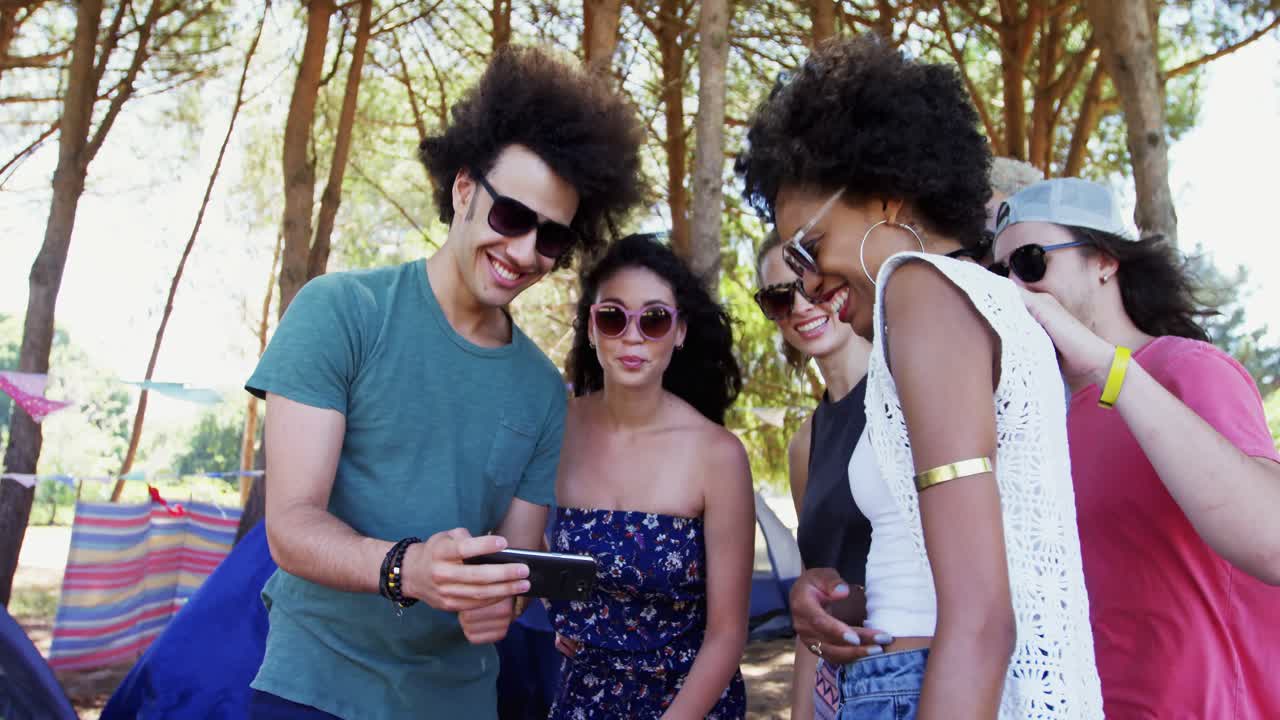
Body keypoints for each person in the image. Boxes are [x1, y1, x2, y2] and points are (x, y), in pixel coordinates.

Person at [243, 46, 643, 719]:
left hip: (456, 702)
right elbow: (290, 526)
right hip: (313, 690)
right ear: (463, 189)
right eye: (511, 216)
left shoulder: (544, 393)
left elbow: (514, 563)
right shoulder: (340, 311)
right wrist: (410, 568)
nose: (524, 253)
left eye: (551, 240)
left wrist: (502, 600)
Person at [736, 36, 1103, 719]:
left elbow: (982, 619)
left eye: (808, 248)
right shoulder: (977, 306)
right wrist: (841, 599)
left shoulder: (920, 290)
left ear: (887, 198)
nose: (808, 282)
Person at [992, 177, 1280, 719]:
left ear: (1104, 260)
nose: (1012, 286)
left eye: (1030, 262)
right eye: (997, 273)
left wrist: (1106, 365)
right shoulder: (1040, 420)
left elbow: (1273, 540)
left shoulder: (1186, 369)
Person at [547, 234, 754, 719]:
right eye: (613, 317)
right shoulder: (553, 429)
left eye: (655, 318)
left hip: (691, 705)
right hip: (583, 700)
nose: (633, 335)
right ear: (592, 329)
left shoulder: (718, 455)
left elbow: (728, 635)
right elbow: (524, 549)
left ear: (680, 331)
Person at [753, 232, 874, 720]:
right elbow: (812, 608)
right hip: (840, 694)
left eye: (812, 283)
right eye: (781, 296)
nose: (802, 305)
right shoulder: (804, 444)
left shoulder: (911, 398)